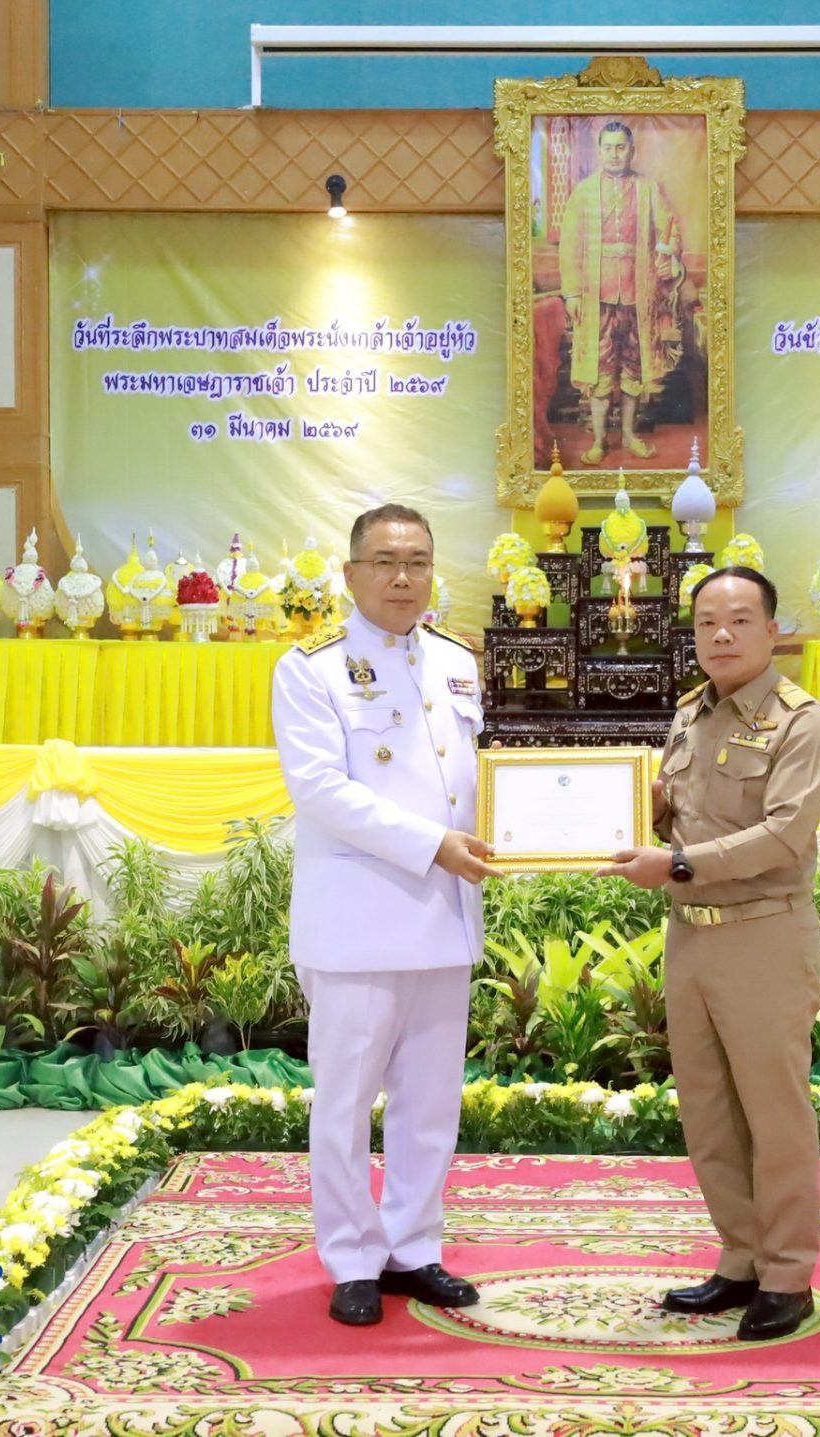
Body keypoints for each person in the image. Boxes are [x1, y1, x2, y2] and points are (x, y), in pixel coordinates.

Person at [596, 565, 820, 1340]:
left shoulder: (802, 723)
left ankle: (787, 1272)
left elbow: (783, 835)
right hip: (691, 935)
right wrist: (628, 811)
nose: (722, 635)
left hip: (763, 933)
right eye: (706, 622)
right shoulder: (689, 714)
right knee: (708, 1110)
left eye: (739, 620)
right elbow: (678, 812)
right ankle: (740, 1257)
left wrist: (674, 863)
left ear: (772, 630)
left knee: (774, 1110)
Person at [272, 502, 498, 1327]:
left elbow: (470, 779)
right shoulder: (312, 668)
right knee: (346, 1102)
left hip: (444, 916)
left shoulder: (456, 661)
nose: (404, 577)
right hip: (358, 922)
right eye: (386, 561)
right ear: (351, 573)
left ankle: (413, 1246)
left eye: (418, 562)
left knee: (430, 1101)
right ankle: (352, 1256)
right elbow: (320, 789)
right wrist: (434, 844)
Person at [557, 120, 685, 466]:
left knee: (633, 366)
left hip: (638, 295)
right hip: (594, 296)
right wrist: (571, 294)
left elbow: (669, 230)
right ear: (599, 151)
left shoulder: (648, 189)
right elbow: (569, 246)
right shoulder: (584, 192)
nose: (614, 154)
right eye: (608, 148)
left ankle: (629, 435)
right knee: (599, 369)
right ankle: (599, 440)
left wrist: (668, 257)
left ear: (632, 150)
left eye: (621, 147)